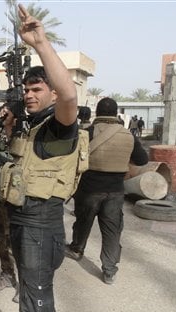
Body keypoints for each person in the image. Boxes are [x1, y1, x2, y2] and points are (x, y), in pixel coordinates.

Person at [0, 4, 90, 312]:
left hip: (39, 225)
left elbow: (69, 96)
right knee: (30, 295)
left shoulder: (59, 128)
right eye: (26, 90)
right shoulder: (35, 126)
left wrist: (40, 43)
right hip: (26, 222)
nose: (29, 95)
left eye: (37, 89)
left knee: (36, 304)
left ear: (51, 93)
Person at [65, 97, 148, 284]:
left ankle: (76, 249)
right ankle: (109, 271)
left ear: (98, 113)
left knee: (82, 222)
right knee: (112, 230)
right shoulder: (128, 135)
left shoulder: (88, 133)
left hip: (88, 189)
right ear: (115, 113)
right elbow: (142, 160)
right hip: (116, 191)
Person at [0, 104, 18, 303]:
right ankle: (7, 273)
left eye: (7, 111)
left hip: (15, 198)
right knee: (1, 238)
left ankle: (25, 283)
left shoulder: (23, 134)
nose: (2, 114)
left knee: (17, 243)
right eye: (1, 111)